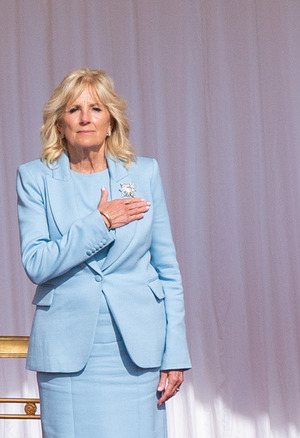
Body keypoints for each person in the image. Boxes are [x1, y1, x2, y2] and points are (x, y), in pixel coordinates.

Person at [16, 67, 191, 437]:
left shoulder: (144, 173)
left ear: (111, 120)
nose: (84, 118)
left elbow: (167, 270)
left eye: (95, 108)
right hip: (66, 356)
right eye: (73, 109)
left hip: (138, 353)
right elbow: (37, 263)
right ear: (59, 123)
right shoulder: (34, 178)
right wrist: (100, 224)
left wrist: (175, 354)